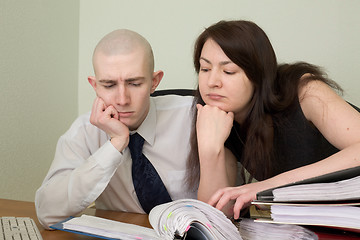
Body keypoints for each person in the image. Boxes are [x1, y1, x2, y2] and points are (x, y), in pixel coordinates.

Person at [186, 20, 360, 220]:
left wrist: (270, 186)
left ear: (258, 75)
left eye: (228, 71)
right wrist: (210, 149)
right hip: (319, 221)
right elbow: (215, 216)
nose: (211, 82)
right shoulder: (218, 117)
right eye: (205, 69)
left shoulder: (304, 91)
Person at [35, 29, 196, 229]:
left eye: (135, 83)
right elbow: (47, 213)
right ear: (95, 86)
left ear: (154, 81)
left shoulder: (193, 117)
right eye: (109, 85)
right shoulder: (84, 131)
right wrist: (114, 145)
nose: (122, 100)